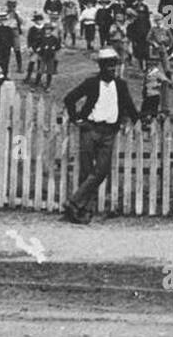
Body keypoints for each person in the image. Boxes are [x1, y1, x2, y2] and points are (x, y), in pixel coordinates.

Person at [60, 47, 140, 224]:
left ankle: (73, 202)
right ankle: (83, 212)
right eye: (108, 66)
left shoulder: (120, 85)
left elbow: (129, 106)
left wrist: (137, 120)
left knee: (101, 171)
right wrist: (76, 120)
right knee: (87, 171)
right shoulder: (91, 83)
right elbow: (69, 98)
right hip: (90, 129)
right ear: (101, 67)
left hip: (109, 132)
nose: (112, 70)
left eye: (114, 66)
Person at [35, 20, 63, 90]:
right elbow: (37, 46)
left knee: (49, 71)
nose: (47, 31)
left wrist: (54, 48)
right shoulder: (41, 38)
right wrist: (39, 49)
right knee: (40, 70)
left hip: (51, 57)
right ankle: (36, 84)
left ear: (51, 30)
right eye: (46, 29)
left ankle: (48, 85)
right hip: (43, 56)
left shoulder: (54, 38)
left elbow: (58, 46)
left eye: (49, 29)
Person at [0, 12, 16, 78]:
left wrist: (12, 45)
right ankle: (0, 73)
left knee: (7, 61)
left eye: (4, 20)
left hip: (7, 47)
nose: (2, 22)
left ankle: (5, 73)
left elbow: (12, 37)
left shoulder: (9, 29)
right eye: (1, 20)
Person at [5, 0, 26, 74]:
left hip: (15, 32)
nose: (12, 8)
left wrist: (17, 15)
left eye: (13, 7)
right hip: (7, 32)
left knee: (17, 50)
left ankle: (19, 67)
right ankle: (5, 68)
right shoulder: (5, 13)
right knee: (6, 50)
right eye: (10, 7)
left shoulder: (17, 13)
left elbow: (22, 22)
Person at [25, 13, 45, 84]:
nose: (38, 22)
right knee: (32, 62)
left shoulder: (45, 29)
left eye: (40, 20)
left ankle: (38, 79)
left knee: (40, 64)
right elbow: (29, 39)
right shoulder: (32, 29)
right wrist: (29, 47)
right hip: (34, 48)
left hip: (42, 49)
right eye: (37, 20)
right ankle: (28, 77)